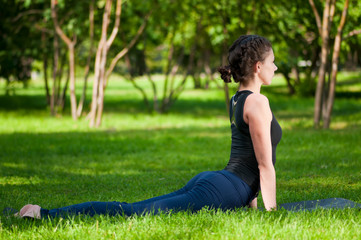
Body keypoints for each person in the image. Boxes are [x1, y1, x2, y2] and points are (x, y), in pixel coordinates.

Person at [15, 35, 282, 219]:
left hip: (217, 181)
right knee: (133, 211)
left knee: (137, 208)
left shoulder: (239, 97)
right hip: (222, 187)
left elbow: (243, 155)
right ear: (259, 67)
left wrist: (251, 204)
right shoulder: (258, 102)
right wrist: (270, 214)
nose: (276, 67)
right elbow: (263, 165)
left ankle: (41, 212)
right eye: (272, 62)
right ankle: (43, 214)